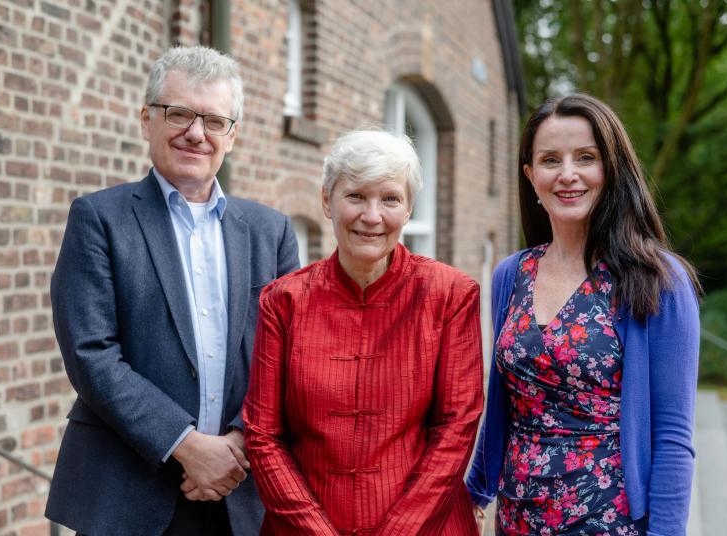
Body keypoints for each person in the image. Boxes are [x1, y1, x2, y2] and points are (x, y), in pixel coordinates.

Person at [45, 46, 300, 535]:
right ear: (146, 120)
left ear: (232, 134)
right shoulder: (99, 219)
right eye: (178, 113)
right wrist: (187, 446)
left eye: (213, 120)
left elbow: (288, 354)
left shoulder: (272, 232)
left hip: (242, 493)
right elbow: (91, 353)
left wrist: (238, 446)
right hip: (127, 493)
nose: (195, 133)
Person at [466, 93, 701, 536]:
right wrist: (474, 492)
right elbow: (504, 405)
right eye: (551, 160)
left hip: (608, 520)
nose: (568, 174)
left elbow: (672, 435)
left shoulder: (657, 280)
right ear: (530, 176)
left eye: (586, 157)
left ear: (610, 170)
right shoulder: (510, 275)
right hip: (517, 518)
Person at [243, 130, 484, 535]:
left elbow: (456, 428)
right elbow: (264, 435)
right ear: (326, 201)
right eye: (355, 196)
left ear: (408, 209)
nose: (372, 216)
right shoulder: (283, 301)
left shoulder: (450, 295)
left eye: (390, 199)